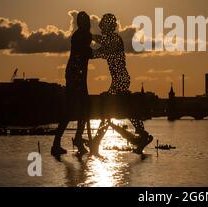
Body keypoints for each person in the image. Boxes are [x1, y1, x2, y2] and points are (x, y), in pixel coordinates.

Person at [91, 14, 152, 151]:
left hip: (121, 79)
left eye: (103, 26)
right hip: (120, 79)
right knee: (122, 109)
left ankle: (96, 141)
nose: (101, 28)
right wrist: (91, 38)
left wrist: (88, 41)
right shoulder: (112, 39)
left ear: (108, 26)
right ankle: (142, 134)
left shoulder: (114, 40)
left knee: (110, 109)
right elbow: (102, 42)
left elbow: (101, 50)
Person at [51, 11, 92, 156]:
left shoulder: (80, 36)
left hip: (76, 76)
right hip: (76, 76)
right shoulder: (82, 36)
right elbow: (85, 56)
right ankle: (68, 141)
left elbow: (85, 59)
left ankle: (74, 140)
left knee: (81, 110)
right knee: (74, 111)